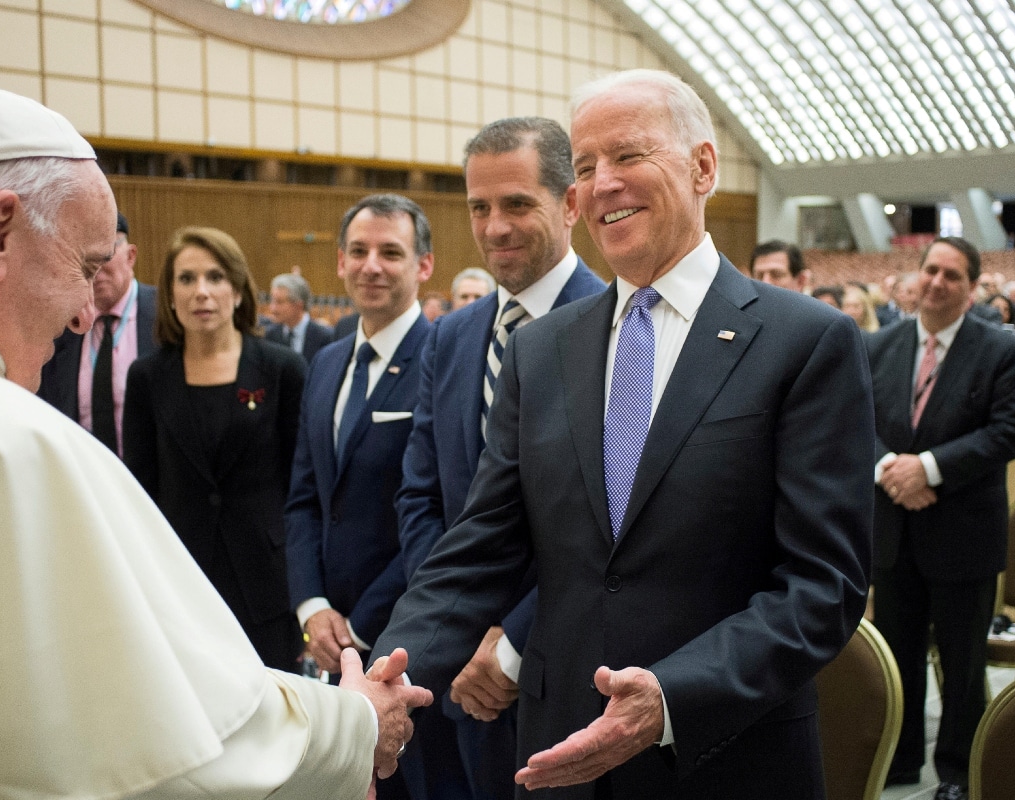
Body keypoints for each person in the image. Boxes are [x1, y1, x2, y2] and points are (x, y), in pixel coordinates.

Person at [0, 84, 431, 799]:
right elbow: (173, 748)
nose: (86, 314)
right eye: (84, 267)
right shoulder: (0, 441)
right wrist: (354, 727)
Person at [371, 69, 874, 799]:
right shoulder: (541, 352)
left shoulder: (805, 343)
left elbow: (822, 586)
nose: (600, 184)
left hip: (724, 756)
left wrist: (669, 697)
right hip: (557, 755)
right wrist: (387, 675)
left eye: (628, 156)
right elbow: (482, 545)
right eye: (583, 167)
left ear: (703, 167)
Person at [395, 116, 606, 800]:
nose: (494, 228)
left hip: (571, 668)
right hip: (461, 674)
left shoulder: (619, 328)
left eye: (517, 204)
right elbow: (422, 497)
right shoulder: (452, 336)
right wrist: (459, 627)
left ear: (570, 203)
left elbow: (616, 522)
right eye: (479, 208)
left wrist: (512, 638)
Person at [286, 194, 467, 800]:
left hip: (403, 635)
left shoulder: (445, 361)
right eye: (359, 252)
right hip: (326, 635)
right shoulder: (328, 361)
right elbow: (307, 497)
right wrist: (312, 607)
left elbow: (438, 513)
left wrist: (361, 629)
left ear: (423, 266)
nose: (372, 266)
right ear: (338, 262)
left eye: (391, 252)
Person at [867, 236, 1015, 800]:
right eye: (931, 270)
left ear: (972, 288)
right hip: (894, 533)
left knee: (962, 665)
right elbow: (853, 418)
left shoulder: (1000, 349)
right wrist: (889, 468)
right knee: (897, 658)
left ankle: (959, 774)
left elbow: (1006, 430)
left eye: (952, 275)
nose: (936, 282)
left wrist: (926, 469)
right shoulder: (880, 346)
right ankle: (898, 764)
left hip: (963, 534)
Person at [123, 227, 307, 672]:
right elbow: (140, 492)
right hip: (181, 582)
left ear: (240, 290)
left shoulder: (282, 370)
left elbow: (300, 488)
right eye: (186, 279)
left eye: (215, 277)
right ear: (169, 294)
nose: (201, 292)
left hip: (266, 582)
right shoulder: (147, 378)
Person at [37, 210, 157, 456]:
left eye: (105, 254)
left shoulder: (166, 318)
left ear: (130, 255)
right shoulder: (61, 326)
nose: (96, 269)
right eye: (84, 258)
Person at [264, 272, 334, 363]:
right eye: (272, 301)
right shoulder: (268, 336)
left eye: (279, 302)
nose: (272, 308)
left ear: (298, 305)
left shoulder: (325, 337)